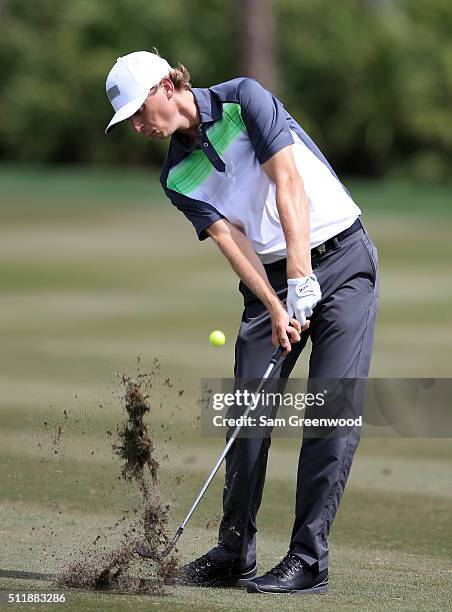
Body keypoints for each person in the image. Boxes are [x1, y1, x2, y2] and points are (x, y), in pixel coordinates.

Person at [105, 51, 379, 595]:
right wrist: (279, 306)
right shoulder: (176, 177)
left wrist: (303, 276)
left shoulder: (244, 98)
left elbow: (289, 184)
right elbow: (233, 243)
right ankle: (235, 550)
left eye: (139, 111)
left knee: (330, 411)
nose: (138, 126)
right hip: (270, 282)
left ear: (167, 85)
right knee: (245, 414)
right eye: (129, 120)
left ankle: (308, 558)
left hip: (343, 258)